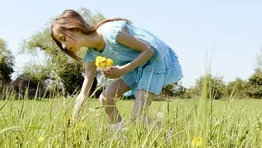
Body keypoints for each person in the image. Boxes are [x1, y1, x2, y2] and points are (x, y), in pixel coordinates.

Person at [51, 9, 183, 132]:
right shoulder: (91, 56)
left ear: (76, 29)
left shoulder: (111, 33)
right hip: (136, 66)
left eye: (63, 39)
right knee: (105, 98)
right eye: (60, 42)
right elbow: (83, 94)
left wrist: (122, 70)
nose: (64, 46)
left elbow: (149, 50)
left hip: (153, 61)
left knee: (137, 116)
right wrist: (74, 122)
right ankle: (121, 138)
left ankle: (170, 135)